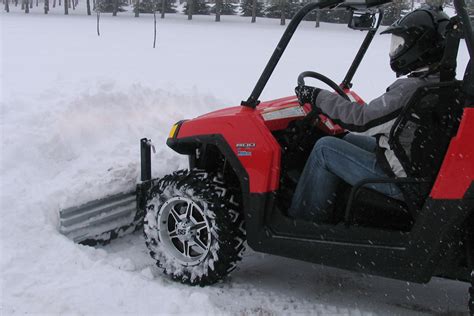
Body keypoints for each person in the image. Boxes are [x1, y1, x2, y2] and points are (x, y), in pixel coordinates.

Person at [289, 6, 450, 223]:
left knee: (324, 148)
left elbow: (362, 119)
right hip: (414, 165)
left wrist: (317, 97)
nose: (396, 50)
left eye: (400, 44)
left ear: (419, 46)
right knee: (346, 138)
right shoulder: (441, 82)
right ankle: (335, 202)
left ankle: (304, 221)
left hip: (401, 180)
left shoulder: (412, 90)